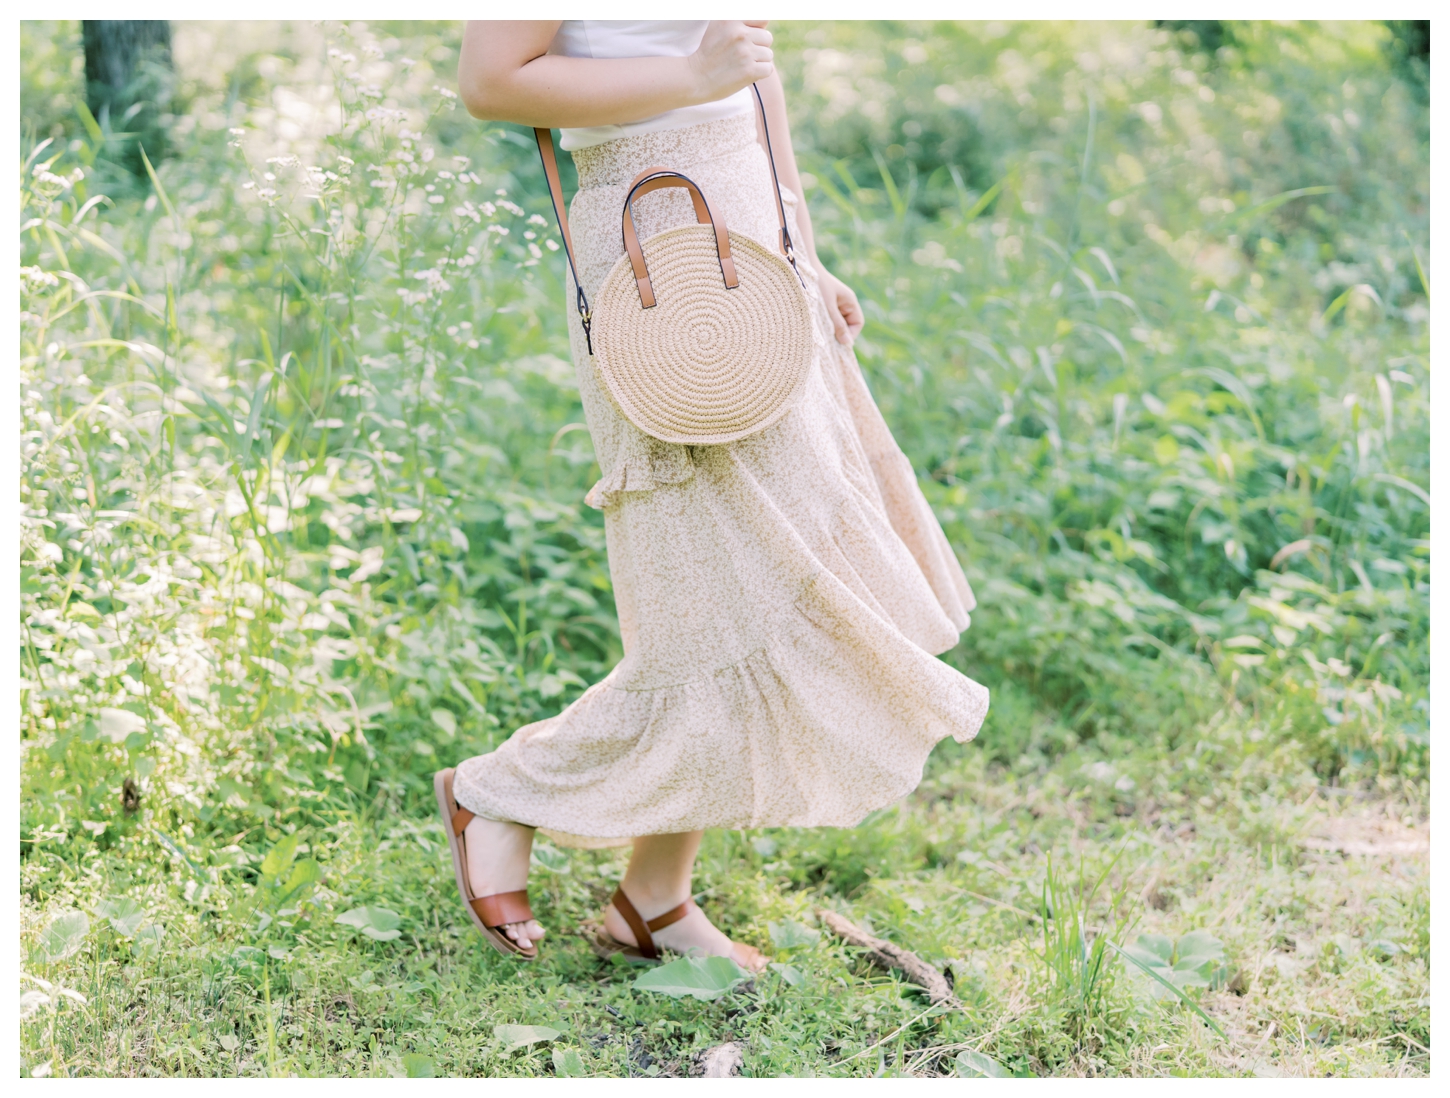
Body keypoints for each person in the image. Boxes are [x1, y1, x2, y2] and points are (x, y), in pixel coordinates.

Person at [437, 20, 988, 970]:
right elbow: (491, 80)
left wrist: (801, 248)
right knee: (728, 593)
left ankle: (652, 897)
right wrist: (691, 72)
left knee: (756, 589)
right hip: (662, 245)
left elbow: (754, 75)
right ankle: (499, 792)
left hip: (747, 234)